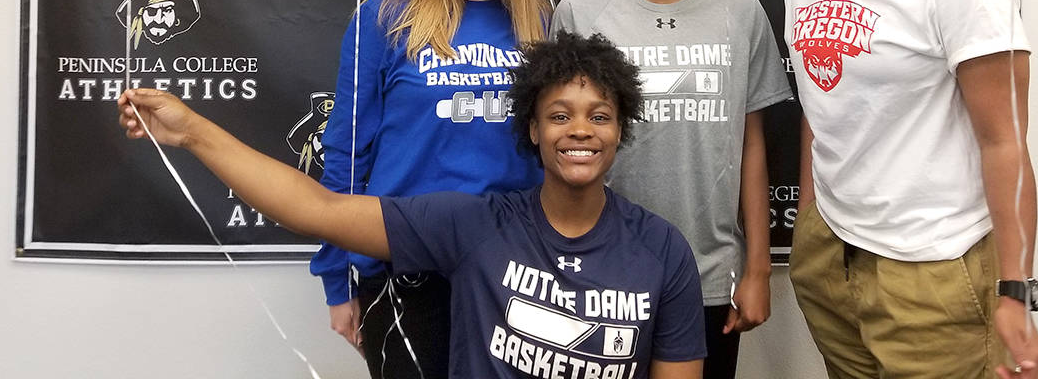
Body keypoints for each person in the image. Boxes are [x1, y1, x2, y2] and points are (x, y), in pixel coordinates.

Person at [118, 31, 706, 379]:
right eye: (559, 116)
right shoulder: (474, 227)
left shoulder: (661, 251)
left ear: (620, 128)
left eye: (599, 116)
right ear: (531, 130)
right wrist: (192, 131)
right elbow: (315, 208)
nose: (580, 131)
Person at [777, 0, 1038, 379]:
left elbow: (1005, 143)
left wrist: (1014, 287)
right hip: (831, 251)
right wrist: (808, 228)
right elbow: (820, 110)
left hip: (933, 266)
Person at [552, 0, 792, 379]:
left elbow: (752, 143)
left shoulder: (740, 11)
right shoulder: (582, 9)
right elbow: (559, 145)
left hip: (710, 273)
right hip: (602, 268)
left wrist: (756, 267)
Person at [311, 0, 551, 379]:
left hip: (515, 269)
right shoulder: (385, 15)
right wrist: (338, 279)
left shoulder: (542, 20)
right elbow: (347, 153)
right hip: (405, 270)